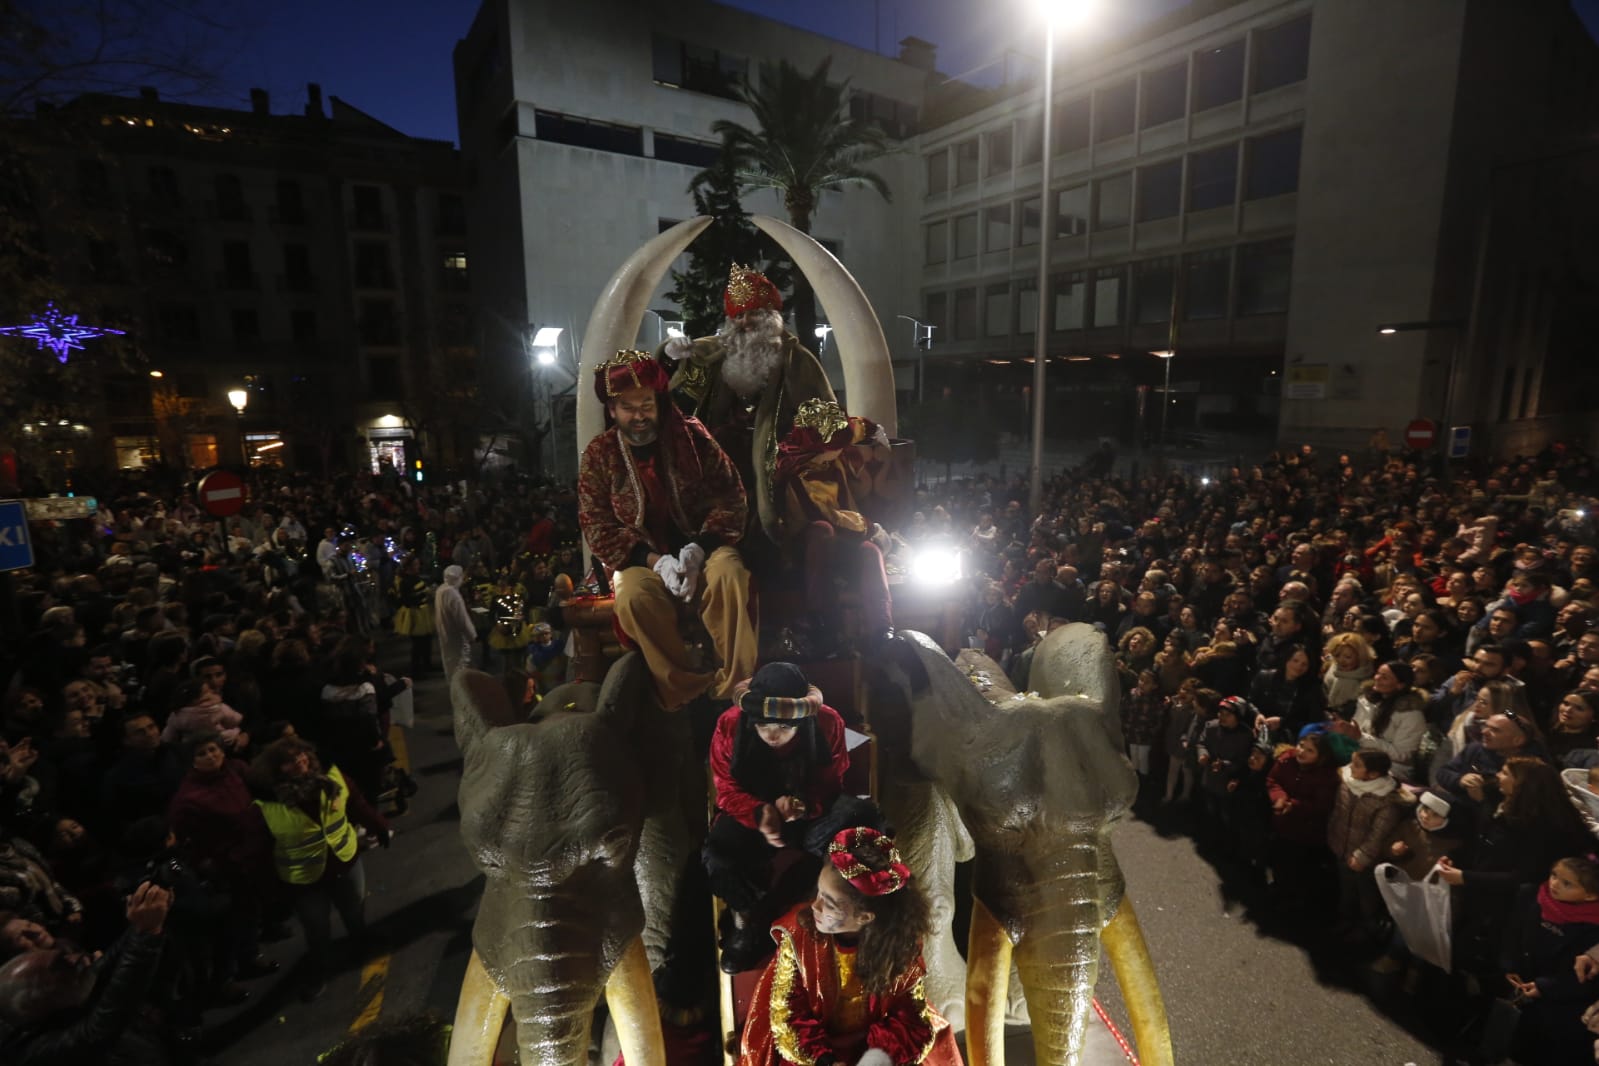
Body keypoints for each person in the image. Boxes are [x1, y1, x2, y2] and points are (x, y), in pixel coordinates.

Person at [578, 349, 757, 709]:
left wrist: (698, 550)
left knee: (730, 574)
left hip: (704, 547)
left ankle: (737, 684)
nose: (639, 415)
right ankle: (684, 687)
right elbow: (596, 525)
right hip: (642, 560)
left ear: (659, 402)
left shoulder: (692, 436)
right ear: (612, 410)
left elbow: (731, 496)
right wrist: (656, 560)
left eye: (646, 403)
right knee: (631, 596)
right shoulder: (599, 454)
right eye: (628, 407)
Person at [737, 826, 962, 1066]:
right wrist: (827, 1061)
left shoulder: (900, 946)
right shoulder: (799, 934)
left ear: (865, 917)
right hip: (814, 1046)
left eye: (830, 903)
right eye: (819, 893)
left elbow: (911, 1018)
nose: (815, 906)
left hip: (875, 1046)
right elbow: (789, 1013)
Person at [705, 663, 874, 973]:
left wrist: (803, 805)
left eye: (783, 728)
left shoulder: (828, 723)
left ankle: (832, 908)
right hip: (753, 817)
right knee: (719, 851)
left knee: (861, 819)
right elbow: (726, 790)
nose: (772, 735)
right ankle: (746, 922)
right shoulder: (730, 725)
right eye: (763, 726)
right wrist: (761, 812)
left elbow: (831, 782)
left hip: (807, 814)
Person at [664, 264, 837, 546]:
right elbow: (689, 382)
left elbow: (826, 418)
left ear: (771, 317)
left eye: (754, 313)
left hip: (774, 467)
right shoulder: (718, 352)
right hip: (722, 468)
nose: (745, 322)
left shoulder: (796, 359)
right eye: (739, 315)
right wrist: (676, 356)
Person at [250, 736, 390, 1001]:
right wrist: (270, 890)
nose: (300, 761)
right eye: (290, 761)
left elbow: (356, 804)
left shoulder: (331, 778)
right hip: (305, 880)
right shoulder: (268, 805)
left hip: (344, 861)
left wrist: (377, 824)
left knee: (354, 908)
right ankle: (320, 969)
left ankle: (360, 943)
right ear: (277, 769)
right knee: (316, 928)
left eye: (302, 754)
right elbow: (261, 849)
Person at [0, 881, 174, 1065]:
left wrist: (139, 924)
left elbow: (96, 972)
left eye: (29, 923)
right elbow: (101, 1025)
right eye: (21, 937)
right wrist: (147, 931)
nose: (34, 930)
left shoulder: (55, 961)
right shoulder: (31, 1050)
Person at [1491, 857, 1599, 1064]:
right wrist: (1509, 964)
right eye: (1554, 875)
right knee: (1505, 1037)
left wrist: (1545, 987)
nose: (1554, 884)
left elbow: (1586, 977)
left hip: (1556, 1002)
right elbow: (1512, 932)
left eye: (1567, 883)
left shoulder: (1592, 928)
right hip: (1520, 980)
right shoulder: (1533, 896)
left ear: (1590, 895)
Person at [1326, 749, 1404, 943]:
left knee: (1366, 894)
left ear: (1373, 775)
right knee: (1346, 889)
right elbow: (1338, 811)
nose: (1351, 767)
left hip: (1364, 859)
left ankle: (1368, 928)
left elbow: (1379, 833)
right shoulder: (1348, 782)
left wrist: (1362, 856)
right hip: (1342, 847)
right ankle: (1346, 920)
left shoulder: (1385, 799)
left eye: (1357, 765)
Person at [391, 554, 435, 677]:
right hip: (415, 614)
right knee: (418, 643)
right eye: (415, 564)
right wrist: (422, 595)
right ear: (409, 567)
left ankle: (427, 665)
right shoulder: (405, 581)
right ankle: (416, 670)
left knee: (427, 640)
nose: (418, 566)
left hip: (423, 612)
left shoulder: (416, 577)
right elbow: (405, 600)